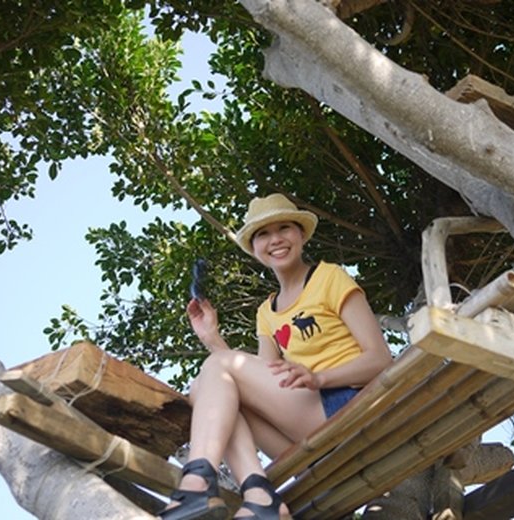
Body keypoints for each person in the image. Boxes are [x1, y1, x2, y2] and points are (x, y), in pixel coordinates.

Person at [160, 193, 394, 520]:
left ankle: (197, 483)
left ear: (301, 234)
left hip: (351, 408)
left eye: (284, 228)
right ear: (255, 248)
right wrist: (211, 338)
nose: (275, 239)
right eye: (263, 234)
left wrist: (319, 378)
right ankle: (258, 494)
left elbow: (380, 359)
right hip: (309, 436)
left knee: (214, 374)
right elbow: (257, 381)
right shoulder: (266, 312)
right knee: (204, 387)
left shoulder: (329, 277)